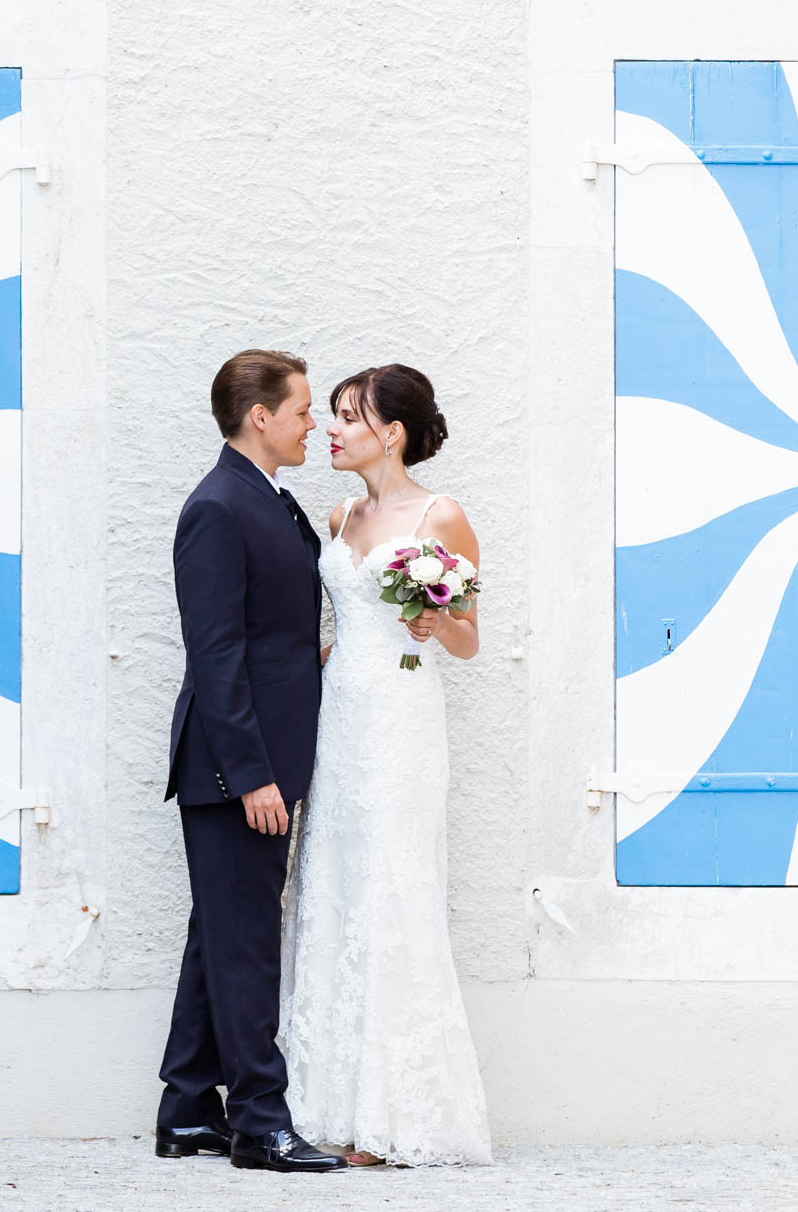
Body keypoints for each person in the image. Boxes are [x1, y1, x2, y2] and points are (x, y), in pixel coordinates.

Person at [278, 363, 494, 1167]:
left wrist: (436, 624)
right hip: (340, 714)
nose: (330, 429)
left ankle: (394, 1114)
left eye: (346, 416)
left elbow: (470, 637)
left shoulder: (443, 515)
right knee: (332, 882)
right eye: (328, 415)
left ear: (391, 431)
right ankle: (326, 1105)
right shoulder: (339, 514)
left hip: (402, 720)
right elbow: (336, 624)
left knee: (392, 887)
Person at [155, 349, 348, 1174]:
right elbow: (217, 654)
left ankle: (189, 1109)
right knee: (245, 944)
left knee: (220, 934)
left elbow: (273, 635)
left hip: (265, 758)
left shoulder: (269, 497)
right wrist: (252, 775)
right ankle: (260, 1124)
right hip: (238, 767)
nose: (315, 424)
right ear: (260, 417)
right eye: (304, 409)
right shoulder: (217, 508)